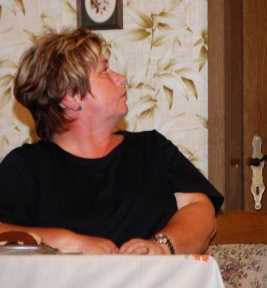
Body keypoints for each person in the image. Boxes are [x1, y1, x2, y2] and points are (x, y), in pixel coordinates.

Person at [0, 28, 224, 255]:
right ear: (72, 96)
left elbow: (201, 210)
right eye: (105, 70)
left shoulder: (152, 148)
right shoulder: (26, 167)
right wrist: (69, 243)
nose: (121, 78)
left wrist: (161, 246)